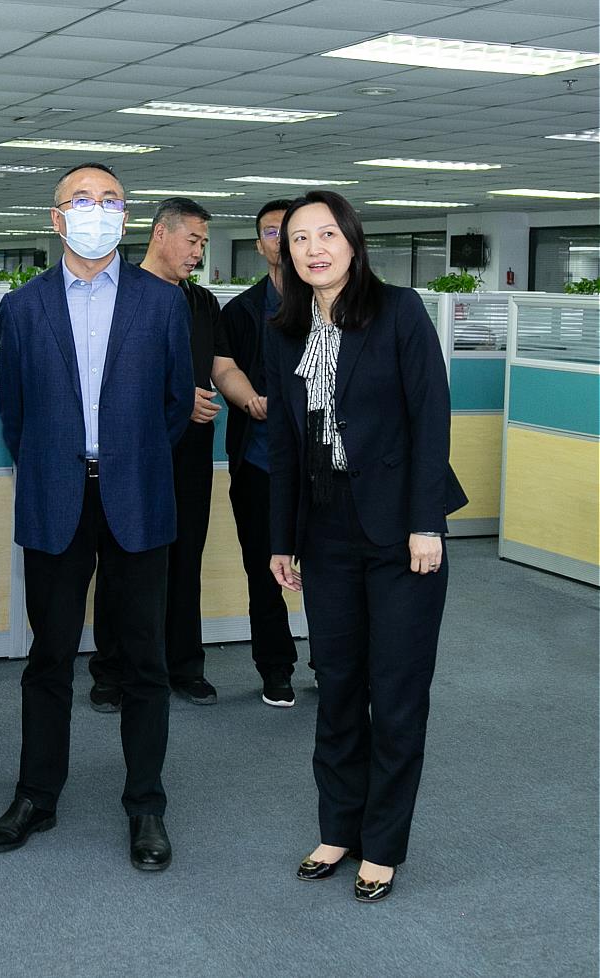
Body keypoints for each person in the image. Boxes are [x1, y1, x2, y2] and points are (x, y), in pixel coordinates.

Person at [0, 162, 193, 870]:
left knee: (144, 660)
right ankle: (35, 796)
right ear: (56, 218)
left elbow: (175, 407)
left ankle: (146, 806)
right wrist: (58, 462)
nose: (94, 210)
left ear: (125, 218)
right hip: (54, 499)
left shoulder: (162, 303)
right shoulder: (22, 307)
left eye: (108, 200)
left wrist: (127, 458)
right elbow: (13, 413)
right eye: (80, 200)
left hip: (137, 497)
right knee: (49, 657)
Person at [265, 191, 466, 903]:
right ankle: (337, 828)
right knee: (339, 685)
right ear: (285, 253)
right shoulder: (285, 330)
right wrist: (282, 538)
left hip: (400, 529)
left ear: (352, 242)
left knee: (397, 691)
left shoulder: (399, 312)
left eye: (327, 234)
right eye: (298, 239)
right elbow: (284, 444)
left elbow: (431, 417)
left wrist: (426, 523)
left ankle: (382, 844)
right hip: (325, 529)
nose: (313, 249)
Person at [88, 198, 222, 711]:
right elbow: (103, 380)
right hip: (134, 453)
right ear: (160, 234)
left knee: (185, 559)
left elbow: (219, 365)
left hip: (190, 453)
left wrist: (243, 396)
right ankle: (111, 671)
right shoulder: (118, 295)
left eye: (204, 243)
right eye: (192, 240)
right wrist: (176, 397)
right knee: (121, 563)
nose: (198, 252)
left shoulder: (202, 302)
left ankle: (184, 665)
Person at [211, 199, 301, 707]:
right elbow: (225, 368)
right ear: (260, 243)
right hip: (262, 462)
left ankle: (336, 665)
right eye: (271, 231)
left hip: (330, 467)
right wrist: (249, 400)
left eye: (292, 230)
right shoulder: (243, 310)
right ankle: (275, 667)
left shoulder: (340, 303)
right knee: (264, 570)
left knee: (333, 571)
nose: (281, 240)